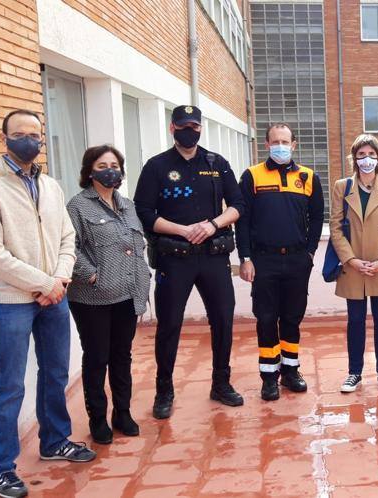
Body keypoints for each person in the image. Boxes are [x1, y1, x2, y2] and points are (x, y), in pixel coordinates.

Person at [0, 109, 96, 498]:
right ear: (3, 138)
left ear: (43, 139)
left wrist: (58, 279)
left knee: (55, 373)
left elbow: (67, 238)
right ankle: (0, 467)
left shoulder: (52, 187)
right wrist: (45, 283)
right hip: (11, 301)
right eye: (19, 133)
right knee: (9, 385)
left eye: (35, 135)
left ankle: (55, 440)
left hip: (53, 295)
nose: (29, 140)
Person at [133, 105, 246, 419]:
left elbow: (238, 204)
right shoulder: (156, 167)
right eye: (183, 125)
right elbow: (144, 212)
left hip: (213, 256)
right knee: (169, 325)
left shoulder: (216, 163)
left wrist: (212, 225)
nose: (190, 130)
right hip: (174, 258)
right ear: (172, 129)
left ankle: (221, 383)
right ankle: (164, 390)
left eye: (194, 125)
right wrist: (182, 229)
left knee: (223, 320)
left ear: (200, 128)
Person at [66, 145, 151, 444]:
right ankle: (98, 419)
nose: (109, 170)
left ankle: (123, 413)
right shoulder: (78, 206)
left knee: (121, 356)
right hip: (93, 297)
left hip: (127, 293)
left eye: (114, 164)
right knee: (96, 357)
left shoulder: (127, 205)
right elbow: (68, 246)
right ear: (90, 171)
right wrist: (90, 274)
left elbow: (137, 244)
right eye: (102, 165)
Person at [237, 122, 325, 401]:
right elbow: (243, 221)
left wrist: (310, 253)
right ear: (266, 145)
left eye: (285, 142)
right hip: (264, 260)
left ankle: (290, 371)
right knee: (265, 318)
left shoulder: (309, 177)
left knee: (291, 318)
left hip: (297, 260)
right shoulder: (252, 176)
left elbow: (317, 218)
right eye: (275, 141)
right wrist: (246, 258)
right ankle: (269, 377)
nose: (281, 146)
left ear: (294, 145)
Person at [328, 134, 378, 394]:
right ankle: (354, 372)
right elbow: (335, 227)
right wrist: (350, 259)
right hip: (354, 265)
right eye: (361, 155)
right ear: (354, 158)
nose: (367, 160)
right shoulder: (342, 186)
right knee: (355, 319)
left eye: (371, 154)